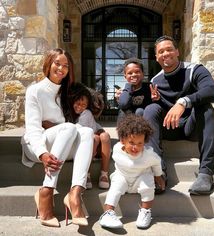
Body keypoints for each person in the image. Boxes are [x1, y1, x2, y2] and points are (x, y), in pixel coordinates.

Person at [21, 48, 94, 227]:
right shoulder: (35, 91)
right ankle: (47, 191)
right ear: (48, 64)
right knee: (69, 128)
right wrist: (43, 154)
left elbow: (72, 122)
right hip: (36, 147)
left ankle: (75, 193)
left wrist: (56, 126)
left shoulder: (66, 93)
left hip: (61, 143)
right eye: (57, 63)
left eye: (66, 66)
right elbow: (32, 129)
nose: (61, 68)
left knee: (87, 132)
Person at [143, 35, 214, 195]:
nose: (165, 53)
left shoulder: (195, 69)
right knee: (150, 109)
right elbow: (158, 112)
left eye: (169, 49)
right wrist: (157, 102)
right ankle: (159, 173)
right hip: (170, 129)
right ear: (156, 57)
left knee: (205, 108)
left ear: (177, 51)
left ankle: (206, 174)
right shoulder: (155, 80)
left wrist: (184, 102)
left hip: (193, 127)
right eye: (161, 51)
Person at [99, 114, 165, 229]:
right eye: (132, 143)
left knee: (147, 182)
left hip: (140, 179)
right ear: (122, 140)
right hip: (123, 177)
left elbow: (156, 162)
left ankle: (145, 211)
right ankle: (108, 213)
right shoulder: (117, 149)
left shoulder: (149, 154)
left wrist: (158, 176)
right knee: (116, 185)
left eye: (140, 143)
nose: (136, 147)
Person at [67, 82, 111, 190]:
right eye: (77, 103)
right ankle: (86, 173)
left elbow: (92, 126)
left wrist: (100, 130)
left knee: (104, 136)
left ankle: (104, 173)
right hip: (86, 146)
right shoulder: (72, 116)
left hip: (95, 148)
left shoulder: (86, 113)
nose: (80, 107)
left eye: (83, 105)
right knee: (94, 138)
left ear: (87, 106)